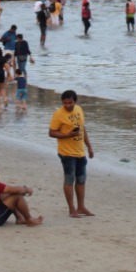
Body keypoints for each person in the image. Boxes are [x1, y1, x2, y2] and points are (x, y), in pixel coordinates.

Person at [48, 89, 94, 217]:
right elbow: (51, 132)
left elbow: (83, 129)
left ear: (75, 101)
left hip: (80, 152)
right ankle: (71, 209)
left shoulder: (79, 109)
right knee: (69, 180)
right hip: (67, 153)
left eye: (70, 103)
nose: (68, 105)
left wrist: (89, 147)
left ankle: (81, 207)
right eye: (65, 103)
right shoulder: (58, 114)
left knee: (81, 180)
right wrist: (67, 135)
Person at [0, 162, 42, 227]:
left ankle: (20, 218)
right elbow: (17, 190)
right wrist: (27, 189)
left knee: (10, 194)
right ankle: (29, 219)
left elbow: (7, 193)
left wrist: (19, 191)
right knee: (17, 196)